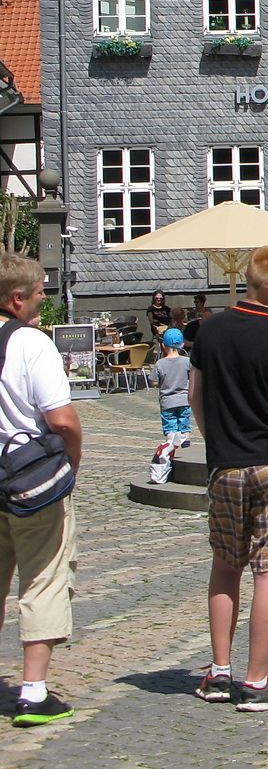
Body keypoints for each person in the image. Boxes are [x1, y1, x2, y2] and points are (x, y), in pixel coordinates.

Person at [188, 244, 268, 713]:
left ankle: (219, 673)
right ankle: (257, 681)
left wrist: (215, 440)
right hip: (267, 467)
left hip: (223, 466)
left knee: (225, 564)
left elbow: (195, 394)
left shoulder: (210, 329)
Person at [0, 254, 82, 727]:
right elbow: (61, 418)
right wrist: (72, 460)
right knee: (44, 577)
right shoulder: (31, 343)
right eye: (39, 292)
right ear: (18, 299)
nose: (45, 298)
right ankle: (33, 691)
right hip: (30, 481)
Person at [153, 327, 193, 444]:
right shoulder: (187, 361)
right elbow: (192, 376)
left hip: (167, 401)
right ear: (182, 344)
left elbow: (153, 382)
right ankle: (186, 436)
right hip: (184, 400)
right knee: (184, 421)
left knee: (169, 425)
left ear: (163, 345)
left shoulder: (160, 364)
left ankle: (171, 440)